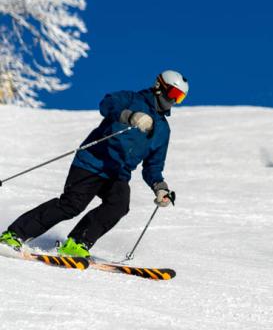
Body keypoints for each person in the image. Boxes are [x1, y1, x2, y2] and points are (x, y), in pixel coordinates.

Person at [0, 69, 189, 258]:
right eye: (173, 94)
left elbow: (153, 166)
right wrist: (130, 116)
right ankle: (14, 235)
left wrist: (160, 188)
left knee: (119, 206)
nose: (174, 101)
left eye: (179, 98)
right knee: (71, 205)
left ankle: (76, 243)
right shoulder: (130, 99)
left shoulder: (163, 130)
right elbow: (106, 105)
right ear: (159, 87)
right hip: (92, 162)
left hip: (118, 174)